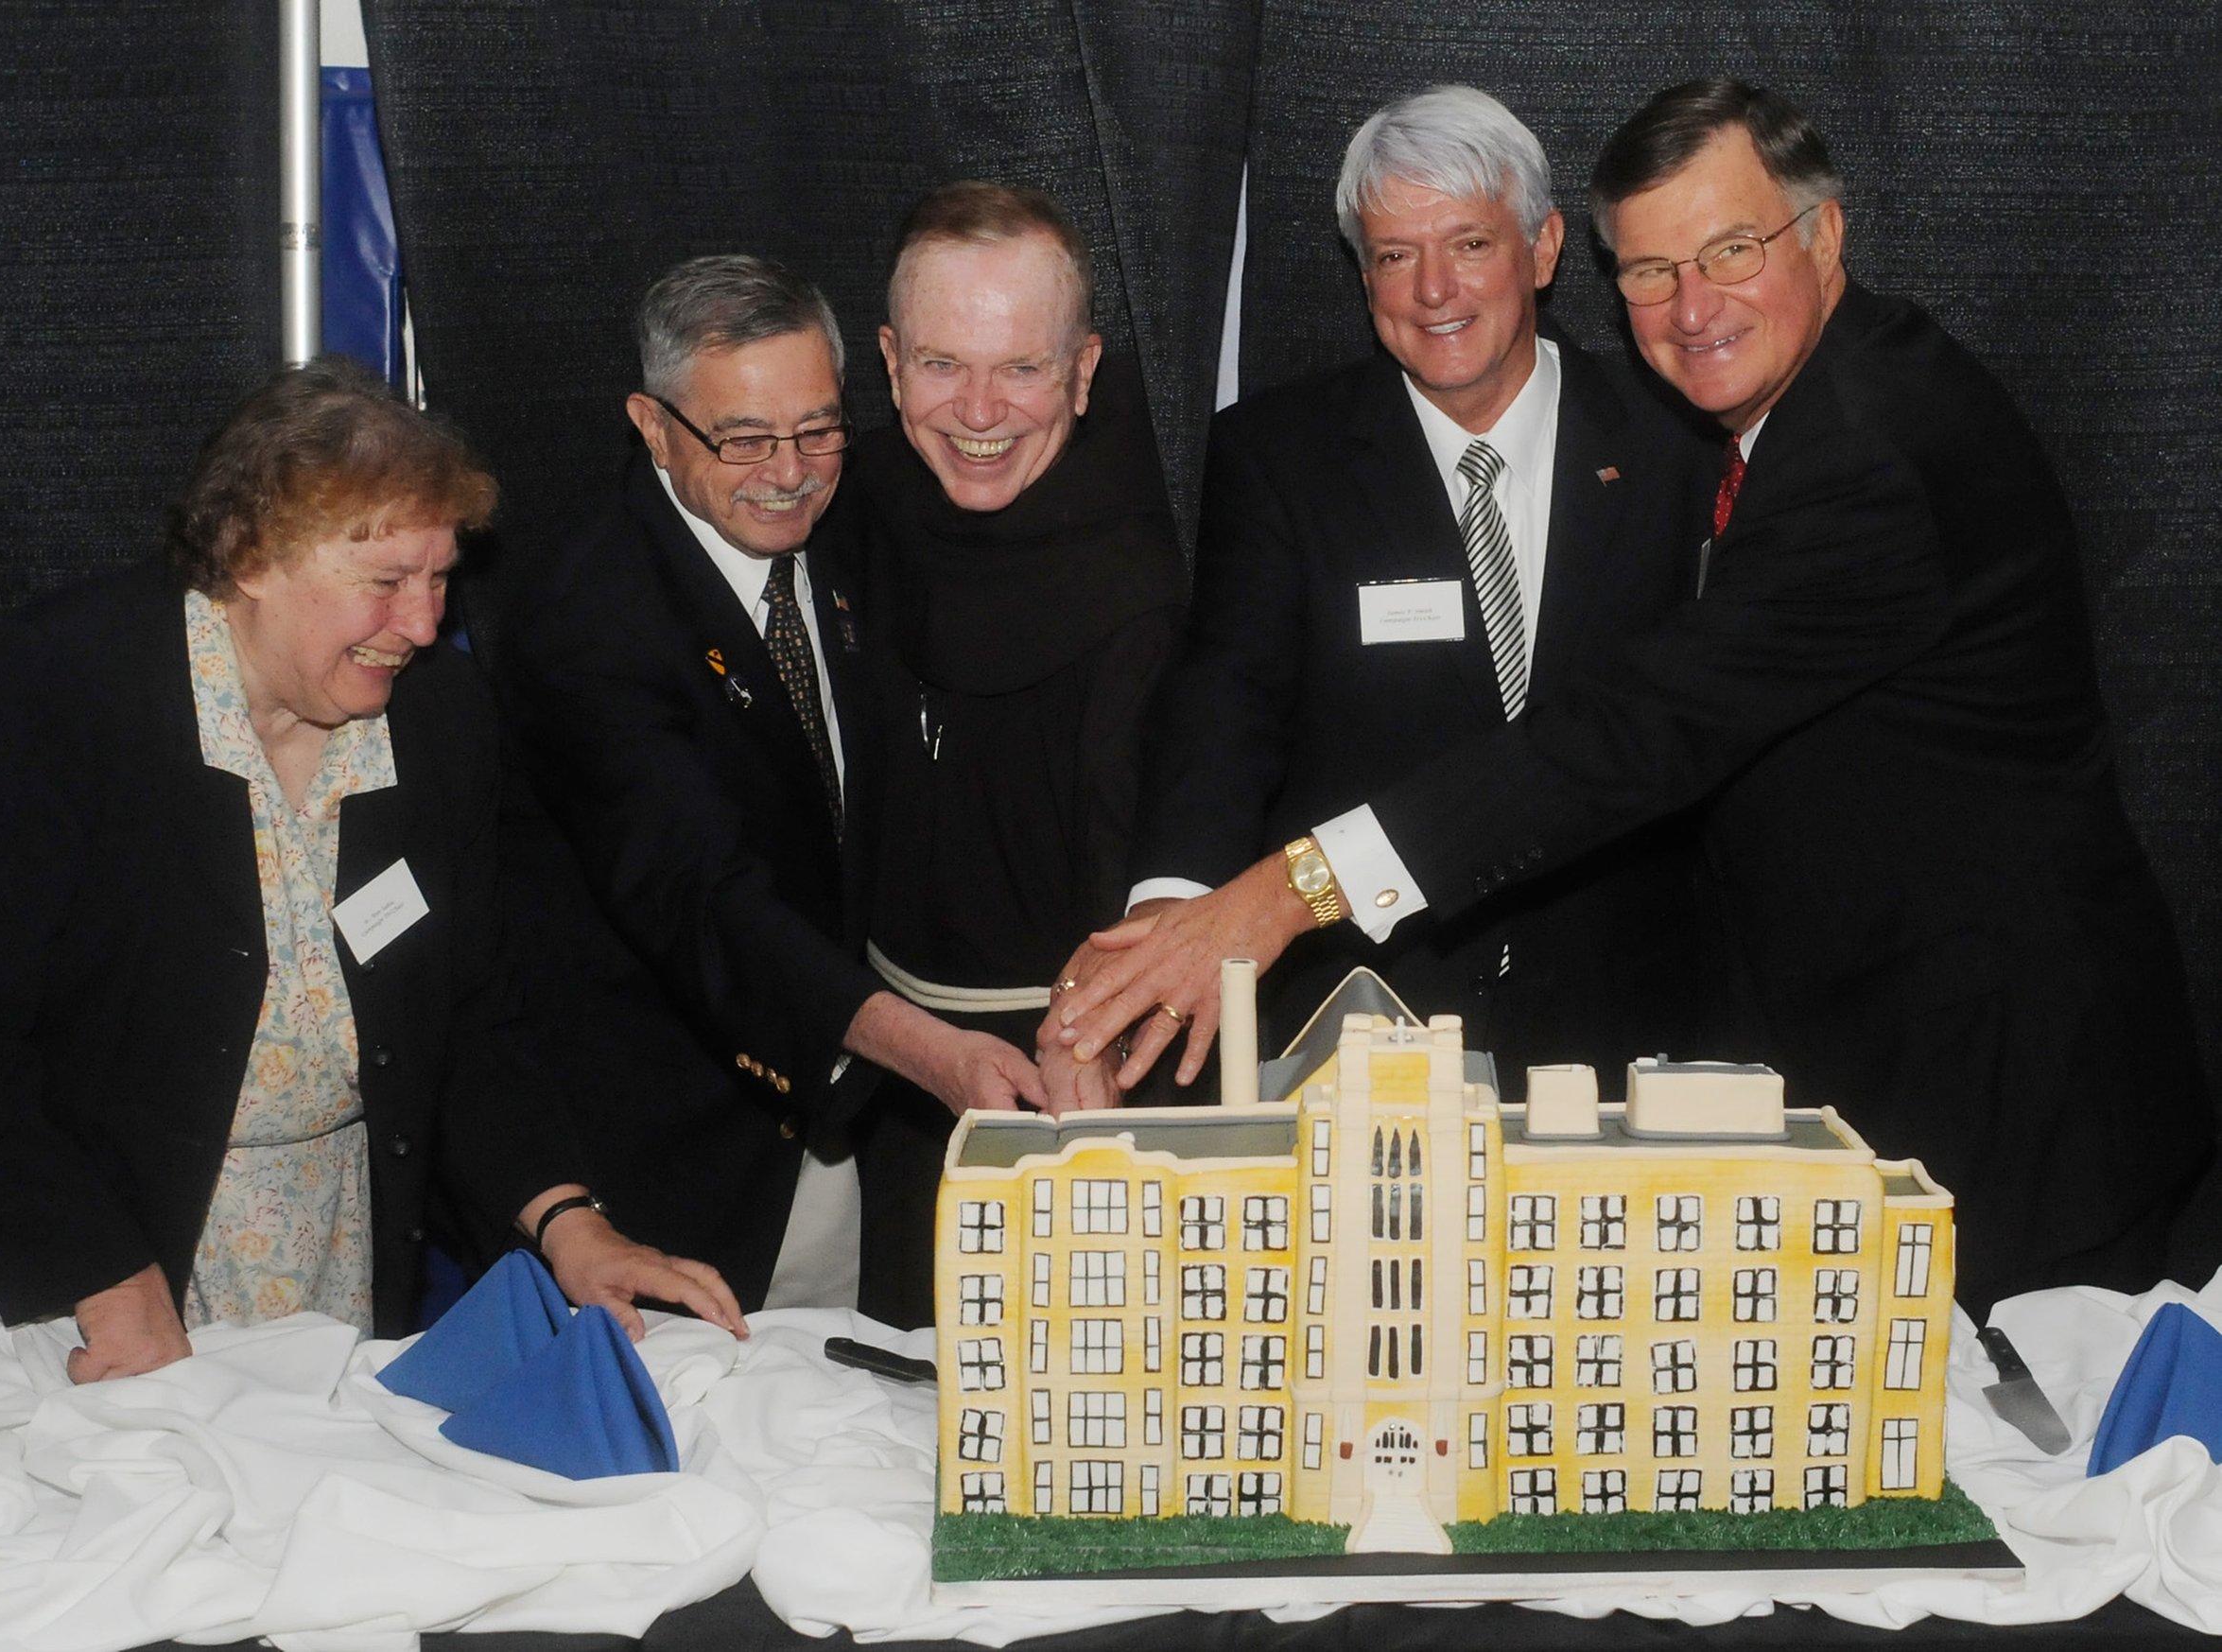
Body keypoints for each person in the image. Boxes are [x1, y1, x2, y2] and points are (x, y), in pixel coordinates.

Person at [1055, 79, 2210, 1312]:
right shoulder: (1803, 409)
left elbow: (1633, 730)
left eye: (1730, 251)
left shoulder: (1861, 452)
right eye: (1653, 271)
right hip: (1835, 1051)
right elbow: (1227, 701)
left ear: (1825, 236)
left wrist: (1292, 886)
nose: (1692, 307)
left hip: (2004, 1078)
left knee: (2024, 1467)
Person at [0, 360, 744, 1382]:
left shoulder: (437, 719)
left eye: (440, 577)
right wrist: (106, 1278)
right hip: (73, 1290)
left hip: (330, 1273)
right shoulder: (56, 696)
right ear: (250, 557)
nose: (421, 625)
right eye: (383, 583)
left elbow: (469, 1025)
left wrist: (567, 1219)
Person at [1060, 85, 1710, 1105]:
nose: (1433, 289)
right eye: (1394, 255)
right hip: (1364, 1018)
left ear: (1541, 250)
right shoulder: (1280, 455)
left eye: (1469, 244)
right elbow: (1225, 703)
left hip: (1623, 1021)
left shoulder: (1673, 443)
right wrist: (1170, 915)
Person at [493, 254, 1045, 1319]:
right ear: (652, 427)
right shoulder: (587, 618)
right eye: (743, 438)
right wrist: (927, 1049)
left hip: (843, 1156)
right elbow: (701, 892)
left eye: (818, 428)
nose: (788, 470)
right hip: (664, 1178)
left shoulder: (853, 538)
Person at [846, 182, 1188, 1324]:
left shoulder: (1169, 568)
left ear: (1085, 371)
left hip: (1092, 1088)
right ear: (889, 364)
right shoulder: (851, 509)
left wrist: (1088, 1031)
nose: (979, 409)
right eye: (942, 365)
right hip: (902, 1075)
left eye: (1023, 368)